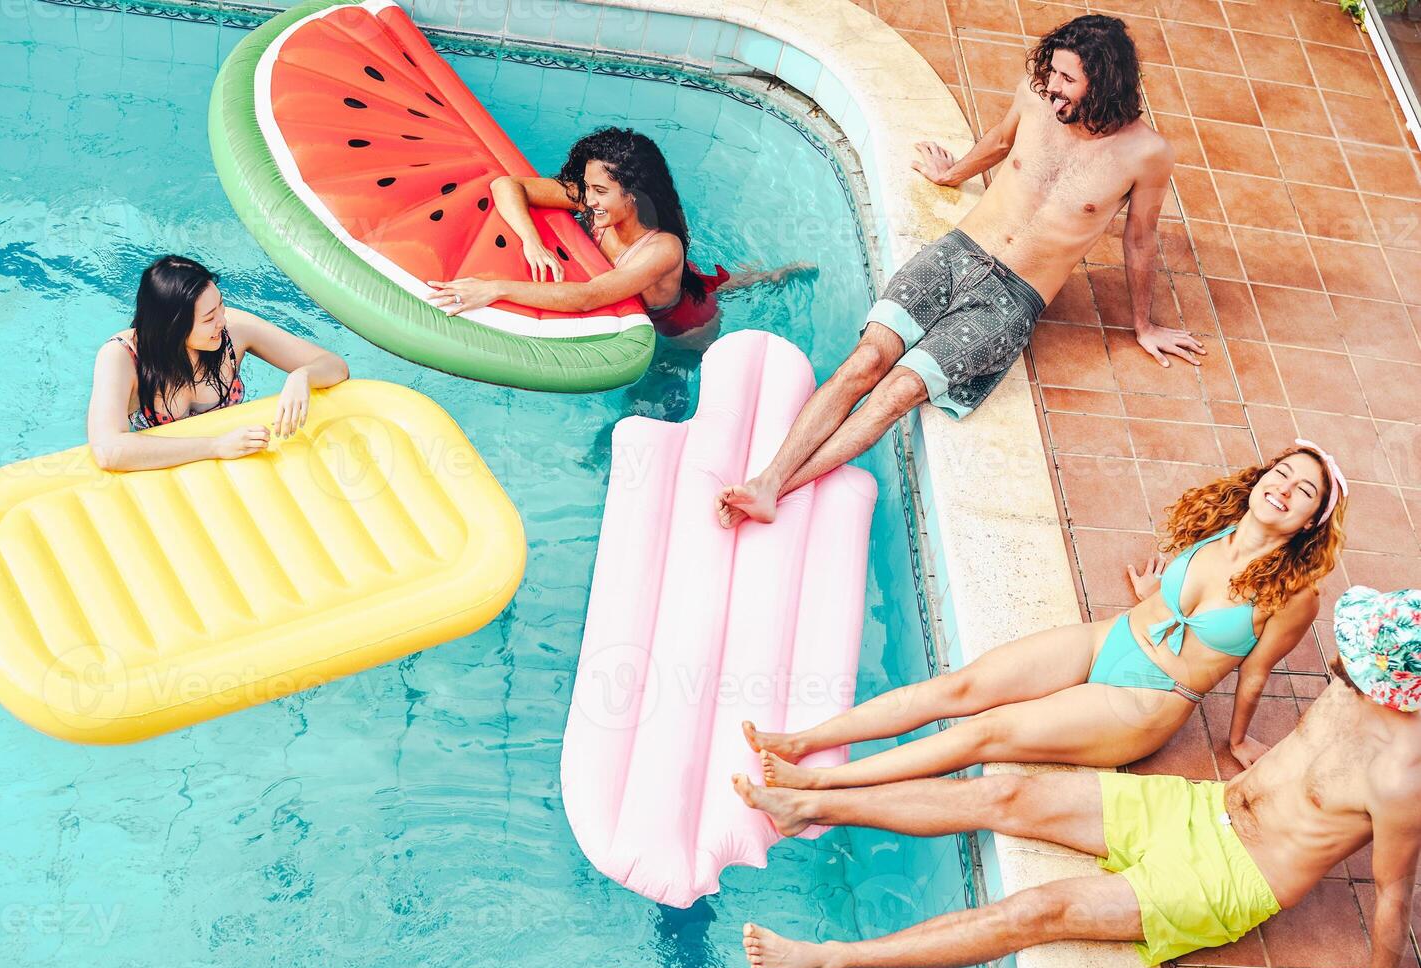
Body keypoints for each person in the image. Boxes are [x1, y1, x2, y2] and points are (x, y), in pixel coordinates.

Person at [732, 583, 1421, 968]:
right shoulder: (1348, 684)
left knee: (1035, 913)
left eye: (1361, 655)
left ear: (1396, 693)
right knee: (1001, 793)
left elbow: (1391, 903)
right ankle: (806, 805)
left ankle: (828, 960)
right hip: (1194, 808)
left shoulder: (1400, 779)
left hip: (1232, 878)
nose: (1343, 653)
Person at [716, 14, 1199, 529]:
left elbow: (1140, 238)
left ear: (1104, 83)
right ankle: (767, 481)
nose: (1053, 88)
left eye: (1068, 80)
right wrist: (951, 174)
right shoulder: (1035, 98)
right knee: (866, 362)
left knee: (898, 391)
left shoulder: (1147, 154)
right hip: (956, 253)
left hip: (1013, 297)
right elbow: (997, 143)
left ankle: (773, 487)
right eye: (1052, 73)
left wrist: (1143, 325)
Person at [743, 444, 1347, 790]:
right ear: (1262, 477)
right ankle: (802, 740)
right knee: (962, 687)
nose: (1285, 490)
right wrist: (1153, 592)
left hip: (1150, 697)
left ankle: (821, 783)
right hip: (1111, 637)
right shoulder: (1221, 523)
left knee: (987, 733)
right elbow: (1185, 594)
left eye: (1305, 493)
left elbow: (1255, 672)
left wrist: (1238, 741)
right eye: (1283, 474)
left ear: (1312, 522)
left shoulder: (1295, 593)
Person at [424, 127, 808, 349]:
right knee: (714, 283)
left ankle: (772, 276)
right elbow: (506, 185)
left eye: (599, 191)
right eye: (587, 188)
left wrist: (494, 290)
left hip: (681, 326)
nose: (587, 200)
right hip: (651, 284)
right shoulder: (599, 204)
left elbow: (588, 297)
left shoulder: (662, 249)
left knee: (663, 383)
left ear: (633, 195)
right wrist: (531, 241)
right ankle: (759, 277)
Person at [87, 255, 349, 471]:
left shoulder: (235, 331)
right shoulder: (123, 356)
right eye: (209, 318)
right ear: (172, 327)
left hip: (240, 463)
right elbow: (108, 450)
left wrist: (302, 376)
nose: (222, 321)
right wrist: (215, 446)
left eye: (221, 306)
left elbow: (335, 366)